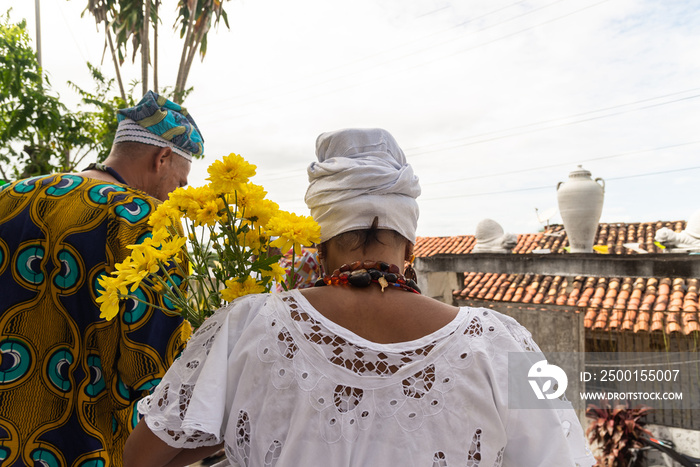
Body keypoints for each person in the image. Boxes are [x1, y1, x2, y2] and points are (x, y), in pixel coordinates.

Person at [124, 128, 596, 466]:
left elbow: (141, 457)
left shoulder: (246, 327)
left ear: (318, 243)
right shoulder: (503, 342)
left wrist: (231, 425)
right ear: (411, 245)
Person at [0, 91, 203, 466]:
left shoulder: (9, 197)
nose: (180, 193)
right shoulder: (143, 219)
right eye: (181, 179)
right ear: (162, 159)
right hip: (84, 447)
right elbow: (154, 370)